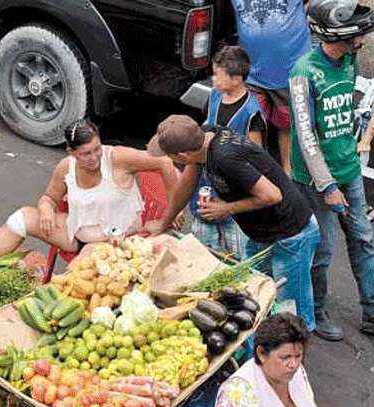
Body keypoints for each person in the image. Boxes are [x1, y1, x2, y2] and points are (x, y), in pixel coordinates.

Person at [0, 118, 179, 272]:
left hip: (118, 240)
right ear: (71, 152)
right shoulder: (65, 167)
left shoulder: (118, 157)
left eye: (96, 149)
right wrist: (47, 209)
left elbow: (166, 163)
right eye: (85, 154)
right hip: (76, 232)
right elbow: (49, 197)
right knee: (22, 218)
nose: (94, 158)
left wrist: (171, 214)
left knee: (77, 283)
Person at [148, 115, 319, 331]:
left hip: (291, 234)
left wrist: (226, 208)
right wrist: (164, 224)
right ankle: (263, 347)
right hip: (261, 234)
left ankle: (295, 357)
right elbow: (187, 184)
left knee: (292, 309)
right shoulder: (205, 136)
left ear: (182, 154)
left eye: (172, 157)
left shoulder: (224, 157)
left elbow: (272, 195)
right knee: (249, 293)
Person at [289, 0, 374, 340]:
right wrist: (326, 185)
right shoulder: (303, 73)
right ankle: (317, 313)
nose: (364, 42)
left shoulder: (350, 61)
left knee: (364, 240)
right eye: (360, 36)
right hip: (315, 180)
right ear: (341, 36)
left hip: (349, 169)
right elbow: (306, 135)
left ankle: (371, 312)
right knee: (322, 251)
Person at [190, 45, 265, 259]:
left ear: (236, 78)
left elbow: (255, 158)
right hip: (207, 187)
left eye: (218, 75)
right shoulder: (215, 95)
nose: (213, 80)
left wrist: (233, 206)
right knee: (203, 254)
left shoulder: (252, 112)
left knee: (238, 259)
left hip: (235, 199)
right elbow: (206, 126)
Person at [229, 0, 311, 173]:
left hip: (291, 69)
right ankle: (261, 175)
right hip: (252, 72)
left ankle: (289, 176)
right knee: (251, 122)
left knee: (288, 126)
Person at [213, 313, 323, 407]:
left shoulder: (296, 371)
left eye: (299, 356)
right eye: (285, 357)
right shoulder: (238, 394)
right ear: (261, 353)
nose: (293, 365)